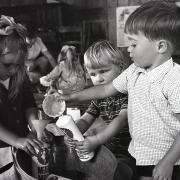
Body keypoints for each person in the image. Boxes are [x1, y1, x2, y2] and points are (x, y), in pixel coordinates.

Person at [58, 1, 180, 180]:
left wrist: (168, 161)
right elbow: (106, 89)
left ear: (160, 47)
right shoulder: (133, 71)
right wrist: (71, 96)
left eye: (133, 44)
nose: (128, 49)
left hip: (168, 158)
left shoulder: (174, 79)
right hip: (140, 154)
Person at [64, 40, 136, 180]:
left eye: (103, 71)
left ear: (121, 68)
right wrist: (73, 132)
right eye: (93, 74)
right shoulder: (99, 98)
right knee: (83, 165)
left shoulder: (128, 93)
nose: (98, 79)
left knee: (119, 172)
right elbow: (86, 119)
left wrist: (96, 140)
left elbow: (120, 120)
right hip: (109, 146)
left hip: (130, 150)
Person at [0, 15, 43, 179]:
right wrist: (16, 140)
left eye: (18, 65)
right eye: (7, 64)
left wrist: (34, 126)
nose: (12, 70)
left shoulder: (20, 75)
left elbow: (29, 104)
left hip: (22, 145)